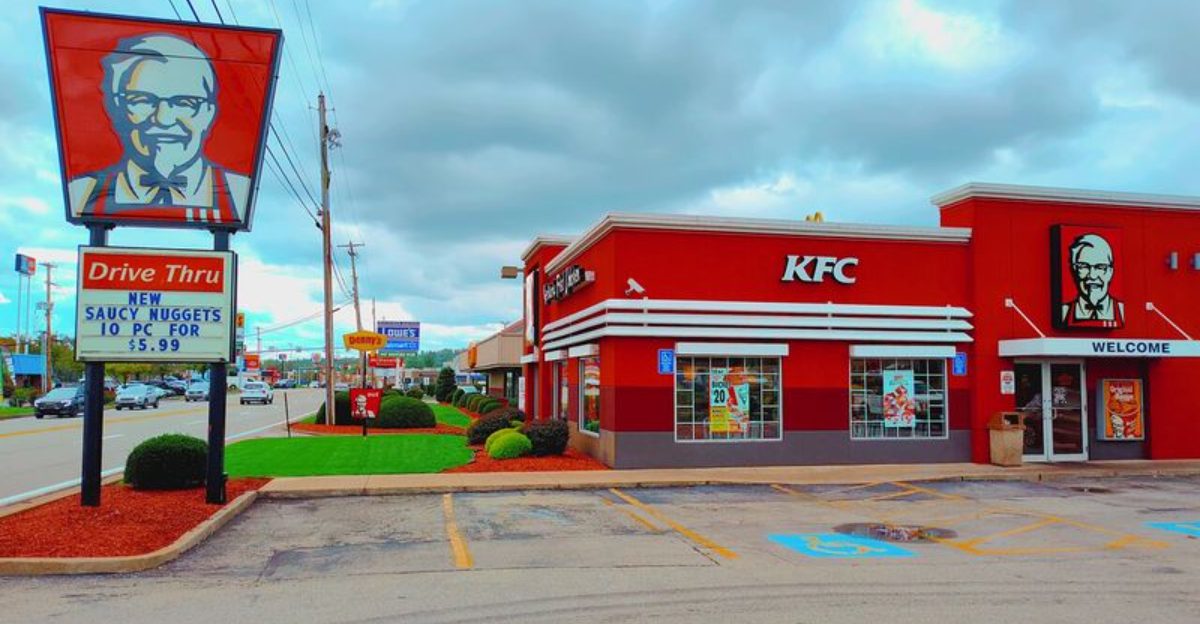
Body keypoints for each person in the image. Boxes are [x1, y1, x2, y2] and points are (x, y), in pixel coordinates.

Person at [67, 34, 250, 224]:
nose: (163, 118)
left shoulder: (239, 193)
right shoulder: (83, 193)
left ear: (209, 113)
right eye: (142, 100)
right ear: (118, 108)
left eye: (185, 103)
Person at [1060, 233, 1124, 328]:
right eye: (1084, 266)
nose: (1092, 276)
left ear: (1110, 272)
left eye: (1100, 267)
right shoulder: (1064, 312)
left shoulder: (1122, 311)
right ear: (1074, 270)